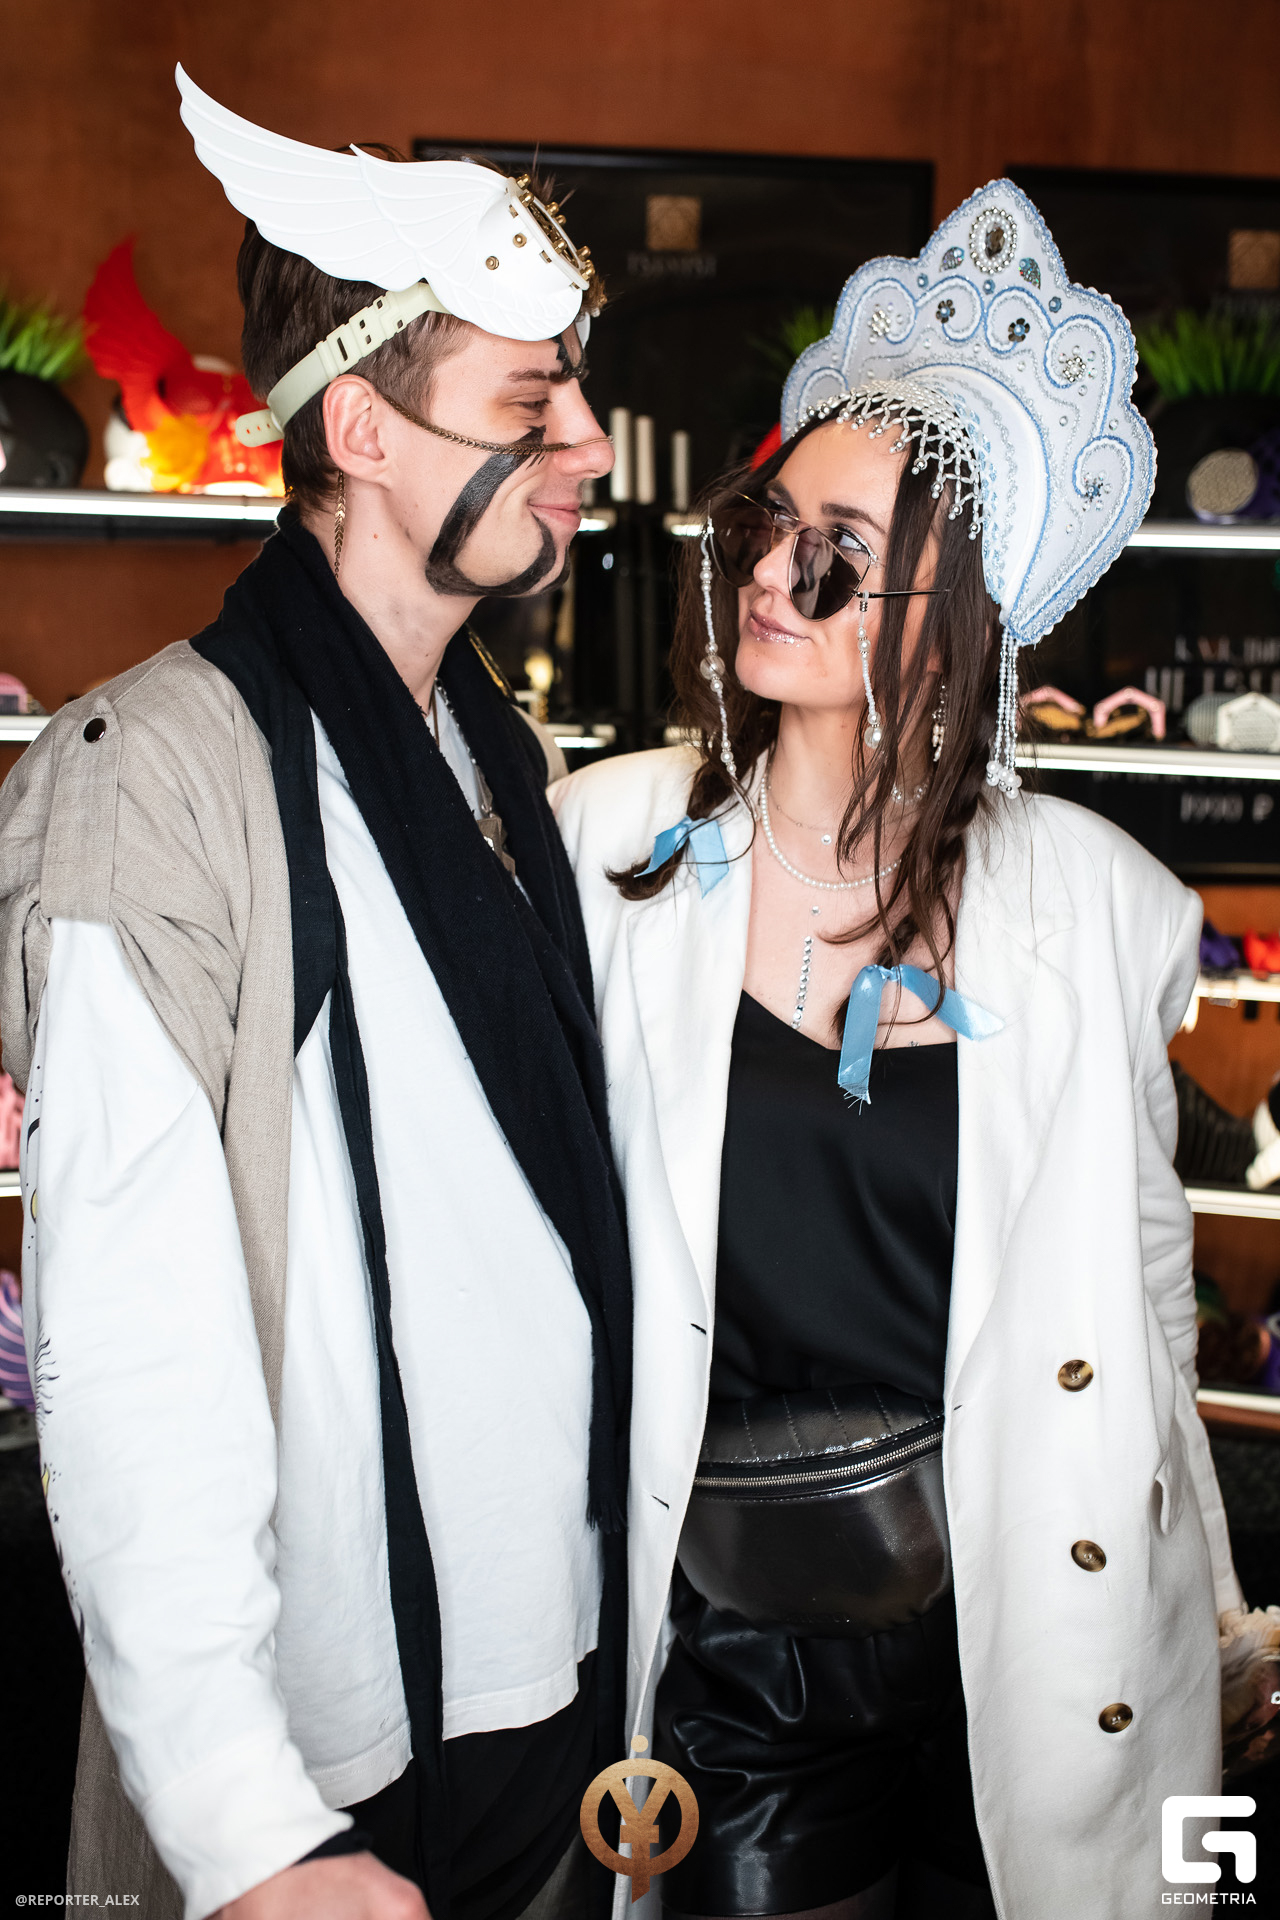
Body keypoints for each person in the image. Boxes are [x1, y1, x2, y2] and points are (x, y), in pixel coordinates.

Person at [551, 182, 1244, 1919]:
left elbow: (1145, 1291)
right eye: (766, 523)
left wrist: (1221, 1616)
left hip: (1038, 1614)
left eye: (839, 550)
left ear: (959, 609)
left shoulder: (1099, 905)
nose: (771, 575)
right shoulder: (612, 848)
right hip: (737, 1641)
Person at [0, 67, 630, 1920]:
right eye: (530, 400)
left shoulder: (491, 753)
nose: (591, 442)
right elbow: (132, 1351)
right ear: (361, 426)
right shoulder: (160, 780)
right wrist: (249, 1827)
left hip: (557, 1686)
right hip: (338, 1762)